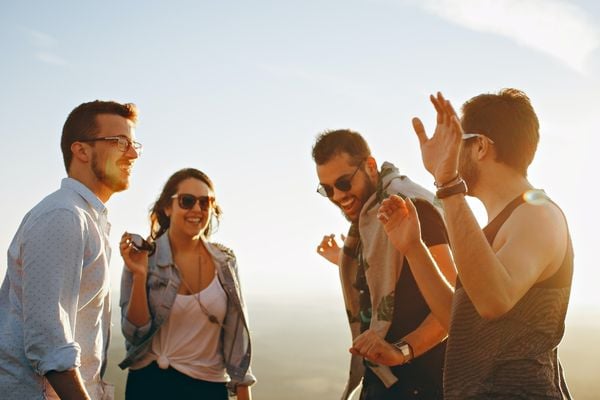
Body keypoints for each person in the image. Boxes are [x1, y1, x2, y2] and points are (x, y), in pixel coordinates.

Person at [377, 89, 573, 398]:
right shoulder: (495, 227)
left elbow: (494, 301)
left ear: (480, 146)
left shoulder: (538, 214)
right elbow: (461, 322)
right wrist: (414, 248)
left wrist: (447, 183)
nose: (450, 154)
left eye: (457, 143)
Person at [0, 100, 140, 399]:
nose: (133, 153)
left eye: (133, 143)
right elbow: (49, 344)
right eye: (120, 142)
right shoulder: (64, 216)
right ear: (81, 150)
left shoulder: (87, 218)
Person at [312, 130, 456, 400]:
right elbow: (394, 277)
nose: (337, 196)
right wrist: (343, 260)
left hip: (422, 384)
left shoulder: (412, 208)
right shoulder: (370, 219)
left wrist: (402, 351)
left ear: (370, 166)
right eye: (327, 189)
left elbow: (453, 305)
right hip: (384, 380)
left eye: (343, 183)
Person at [118, 168, 255, 400]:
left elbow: (237, 341)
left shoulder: (226, 263)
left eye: (205, 202)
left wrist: (244, 394)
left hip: (207, 389)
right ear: (167, 207)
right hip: (149, 386)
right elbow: (134, 334)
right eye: (187, 201)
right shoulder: (143, 257)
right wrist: (140, 275)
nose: (197, 210)